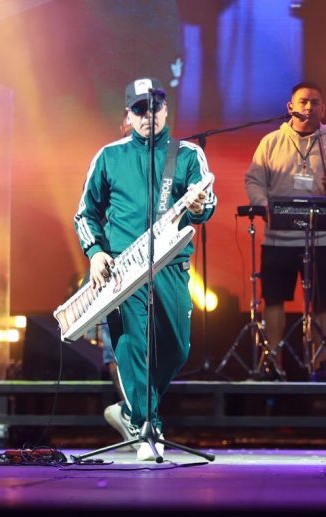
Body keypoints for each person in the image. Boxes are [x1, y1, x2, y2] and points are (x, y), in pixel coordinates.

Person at [73, 77, 216, 460]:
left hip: (171, 264)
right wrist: (95, 252)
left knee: (177, 348)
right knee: (133, 345)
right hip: (123, 268)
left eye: (154, 107)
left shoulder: (186, 154)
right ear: (129, 114)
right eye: (139, 109)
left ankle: (129, 411)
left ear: (165, 110)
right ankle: (146, 428)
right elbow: (85, 214)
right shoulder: (108, 156)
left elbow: (207, 202)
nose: (147, 115)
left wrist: (200, 206)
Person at [245, 81, 326, 375]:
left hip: (321, 239)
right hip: (278, 239)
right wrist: (264, 205)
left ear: (323, 109)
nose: (309, 107)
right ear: (291, 107)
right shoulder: (271, 142)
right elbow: (254, 180)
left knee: (322, 302)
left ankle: (318, 365)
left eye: (315, 103)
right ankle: (273, 364)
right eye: (303, 102)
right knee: (273, 300)